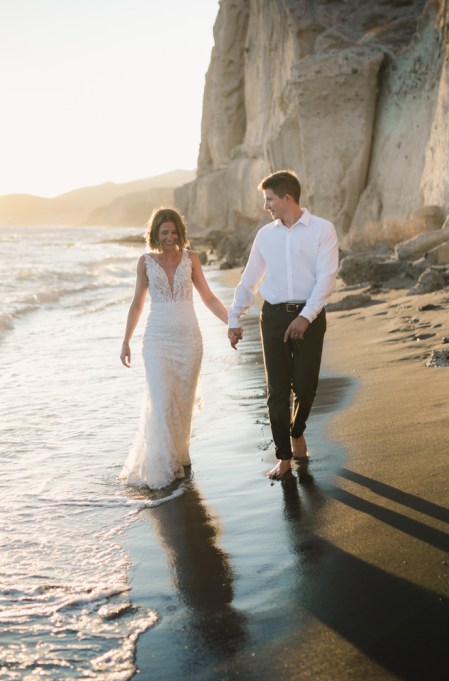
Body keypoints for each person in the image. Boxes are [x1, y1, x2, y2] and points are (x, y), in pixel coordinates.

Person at [227, 170, 339, 480]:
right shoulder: (266, 235)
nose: (266, 206)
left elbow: (326, 279)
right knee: (277, 392)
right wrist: (234, 318)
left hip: (310, 316)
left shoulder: (322, 230)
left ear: (287, 198)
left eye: (269, 199)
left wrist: (306, 317)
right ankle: (284, 457)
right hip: (274, 317)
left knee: (305, 386)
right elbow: (250, 279)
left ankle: (297, 430)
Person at [120, 207, 229, 489]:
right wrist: (125, 341)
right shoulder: (145, 262)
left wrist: (232, 321)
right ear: (155, 233)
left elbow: (208, 297)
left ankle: (180, 456)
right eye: (163, 232)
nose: (169, 237)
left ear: (180, 232)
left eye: (173, 232)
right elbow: (136, 304)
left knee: (181, 402)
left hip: (189, 340)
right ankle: (163, 466)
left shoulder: (191, 259)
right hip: (156, 339)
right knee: (161, 401)